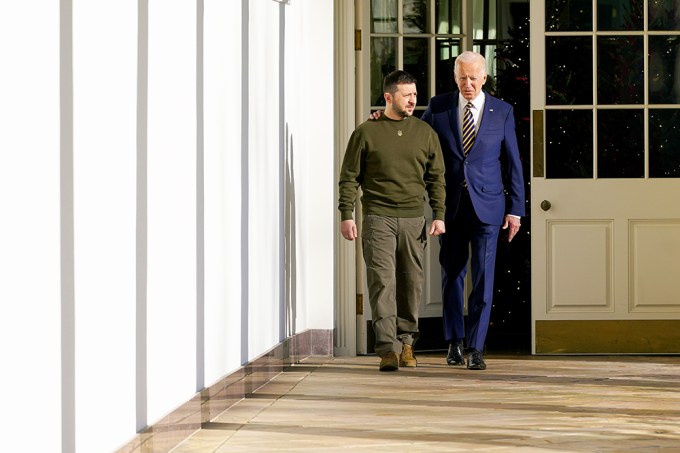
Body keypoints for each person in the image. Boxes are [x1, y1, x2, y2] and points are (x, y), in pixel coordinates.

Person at [421, 50, 525, 370]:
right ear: (455, 77)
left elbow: (512, 162)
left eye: (474, 77)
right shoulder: (438, 107)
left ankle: (476, 347)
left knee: (483, 277)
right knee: (452, 275)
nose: (468, 84)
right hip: (449, 208)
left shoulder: (502, 111)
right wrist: (385, 121)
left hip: (489, 208)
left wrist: (515, 210)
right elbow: (416, 143)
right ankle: (453, 343)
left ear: (484, 77)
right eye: (462, 77)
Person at [338, 70, 446, 372]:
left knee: (411, 284)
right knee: (381, 283)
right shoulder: (366, 132)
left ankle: (407, 343)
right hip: (377, 218)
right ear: (388, 97)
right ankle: (387, 349)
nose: (412, 100)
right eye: (406, 95)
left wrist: (439, 215)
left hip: (414, 218)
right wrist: (346, 214)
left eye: (414, 94)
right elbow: (349, 177)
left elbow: (437, 178)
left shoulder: (425, 133)